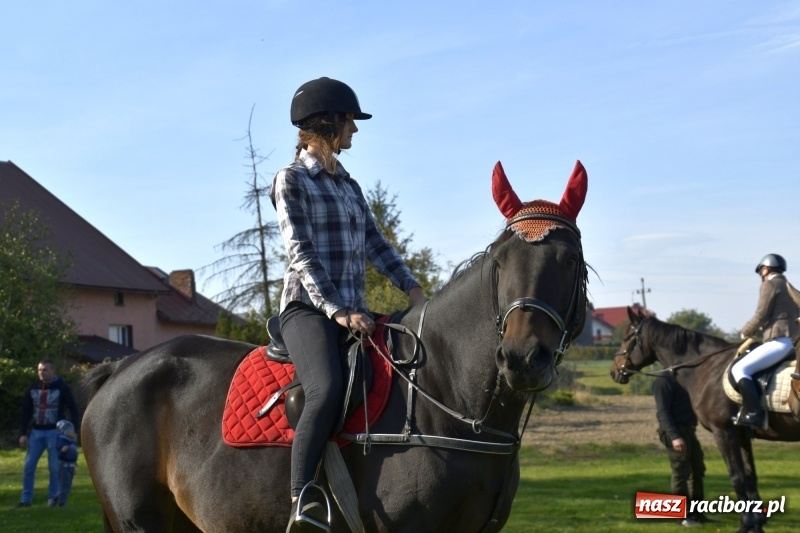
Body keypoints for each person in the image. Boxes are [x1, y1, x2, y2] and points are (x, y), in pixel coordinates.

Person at [269, 76, 425, 532]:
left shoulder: (349, 186)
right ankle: (302, 499)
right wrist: (336, 310)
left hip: (352, 311)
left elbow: (377, 244)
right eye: (351, 122)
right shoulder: (291, 181)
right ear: (331, 121)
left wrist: (413, 290)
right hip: (309, 310)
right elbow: (301, 254)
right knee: (326, 389)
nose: (354, 131)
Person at [734, 254, 799, 429]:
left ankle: (754, 414)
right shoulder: (789, 286)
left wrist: (746, 331)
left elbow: (761, 314)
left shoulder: (770, 284)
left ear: (766, 269)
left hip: (779, 341)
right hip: (792, 341)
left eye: (762, 270)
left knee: (740, 368)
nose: (761, 274)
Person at [18, 359, 81, 508]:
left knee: (54, 467)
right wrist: (23, 433)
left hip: (55, 432)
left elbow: (73, 408)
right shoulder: (33, 388)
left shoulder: (62, 388)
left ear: (53, 370)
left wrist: (74, 429)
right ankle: (25, 500)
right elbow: (26, 411)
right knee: (29, 466)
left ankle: (53, 499)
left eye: (45, 370)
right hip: (36, 431)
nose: (42, 372)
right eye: (40, 370)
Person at [653, 374, 707, 527]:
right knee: (681, 473)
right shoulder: (663, 382)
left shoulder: (685, 379)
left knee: (697, 470)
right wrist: (675, 436)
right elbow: (663, 412)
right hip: (675, 432)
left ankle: (697, 514)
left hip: (689, 430)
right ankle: (681, 516)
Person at [54, 420, 79, 507]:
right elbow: (59, 454)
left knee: (67, 487)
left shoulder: (71, 441)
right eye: (70, 430)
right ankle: (61, 504)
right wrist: (62, 451)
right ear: (64, 431)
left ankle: (55, 499)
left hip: (71, 467)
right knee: (64, 486)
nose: (73, 431)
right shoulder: (62, 441)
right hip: (64, 466)